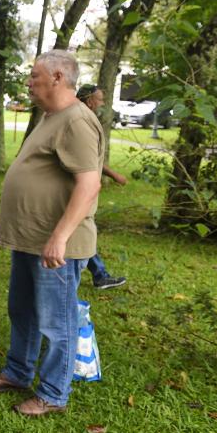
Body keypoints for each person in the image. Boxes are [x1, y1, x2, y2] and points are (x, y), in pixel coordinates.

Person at [0, 49, 103, 417]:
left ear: (58, 78)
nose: (29, 82)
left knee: (56, 322)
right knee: (22, 311)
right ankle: (18, 372)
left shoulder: (77, 121)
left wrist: (60, 235)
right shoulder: (51, 117)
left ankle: (52, 394)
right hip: (31, 240)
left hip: (56, 245)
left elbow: (89, 184)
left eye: (34, 76)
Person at [76, 84, 128, 289]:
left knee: (82, 232)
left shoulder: (85, 120)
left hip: (84, 191)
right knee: (84, 232)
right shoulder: (82, 123)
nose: (103, 103)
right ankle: (99, 275)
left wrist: (113, 175)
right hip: (79, 192)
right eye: (100, 99)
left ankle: (99, 274)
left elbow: (92, 160)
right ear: (90, 101)